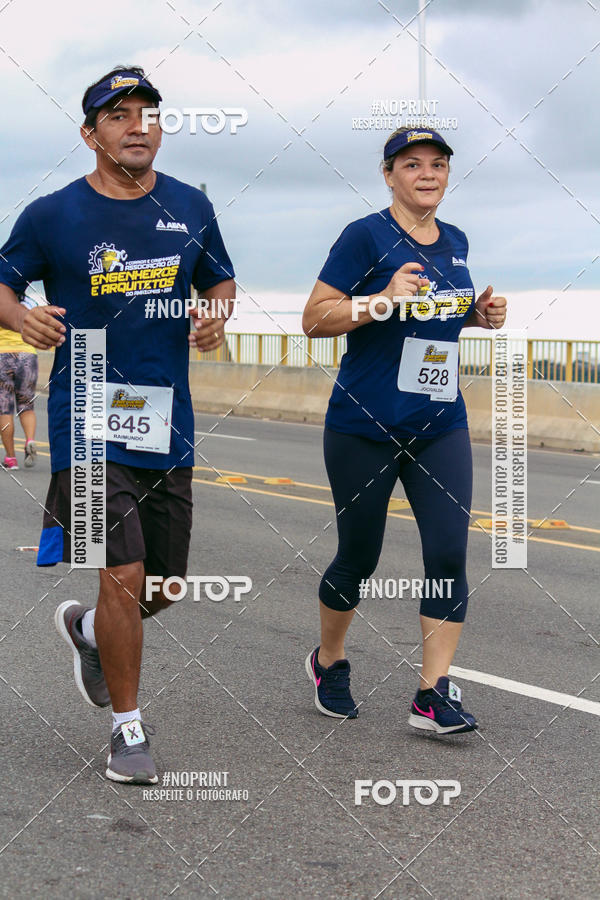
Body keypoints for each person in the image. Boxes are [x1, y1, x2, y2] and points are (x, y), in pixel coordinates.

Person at [0, 65, 235, 782]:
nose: (138, 127)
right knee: (123, 572)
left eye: (149, 114)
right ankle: (127, 731)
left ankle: (88, 629)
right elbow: (3, 284)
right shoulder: (52, 215)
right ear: (90, 134)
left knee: (163, 587)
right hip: (88, 414)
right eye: (119, 115)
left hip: (166, 421)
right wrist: (23, 316)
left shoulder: (190, 205)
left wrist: (216, 315)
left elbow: (220, 279)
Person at [302, 127, 506, 734]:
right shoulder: (364, 236)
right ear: (389, 175)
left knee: (447, 553)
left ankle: (431, 694)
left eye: (437, 164)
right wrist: (383, 298)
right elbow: (314, 319)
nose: (427, 174)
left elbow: (434, 316)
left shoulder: (456, 240)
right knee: (359, 556)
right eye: (412, 164)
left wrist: (476, 316)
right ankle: (328, 660)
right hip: (364, 424)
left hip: (439, 423)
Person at [0, 294, 39, 469]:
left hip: (2, 354)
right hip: (27, 355)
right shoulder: (31, 302)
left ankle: (11, 458)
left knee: (5, 408)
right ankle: (30, 440)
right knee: (26, 405)